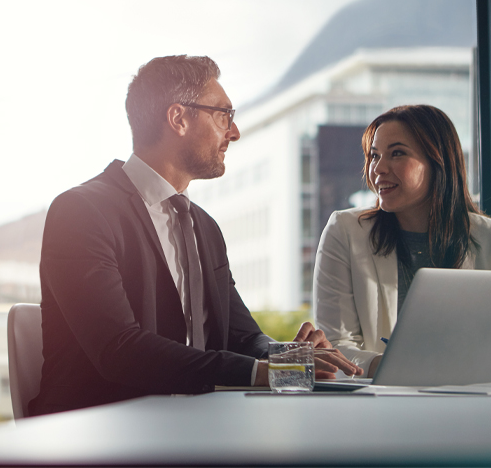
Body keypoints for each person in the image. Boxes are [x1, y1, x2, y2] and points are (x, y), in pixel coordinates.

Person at [31, 55, 360, 416]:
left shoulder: (204, 226)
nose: (233, 132)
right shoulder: (81, 212)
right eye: (223, 115)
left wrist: (294, 357)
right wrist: (264, 374)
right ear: (179, 118)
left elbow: (243, 338)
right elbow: (118, 350)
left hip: (199, 423)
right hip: (102, 433)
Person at [313, 104, 491, 378]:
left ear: (438, 161)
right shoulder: (346, 231)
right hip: (376, 405)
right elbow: (335, 348)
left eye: (397, 153)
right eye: (374, 156)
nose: (378, 168)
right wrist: (402, 369)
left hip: (467, 403)